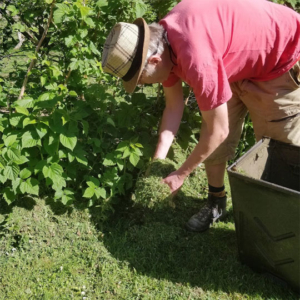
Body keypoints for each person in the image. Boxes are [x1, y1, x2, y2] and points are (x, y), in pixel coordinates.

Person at [101, 0, 300, 232]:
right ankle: (216, 201)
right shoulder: (164, 43)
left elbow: (218, 130)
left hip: (279, 58)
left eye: (141, 80)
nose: (143, 85)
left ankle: (283, 224)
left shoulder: (196, 58)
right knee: (213, 137)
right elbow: (174, 108)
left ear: (154, 61)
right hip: (231, 61)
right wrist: (158, 163)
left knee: (278, 152)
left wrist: (180, 175)